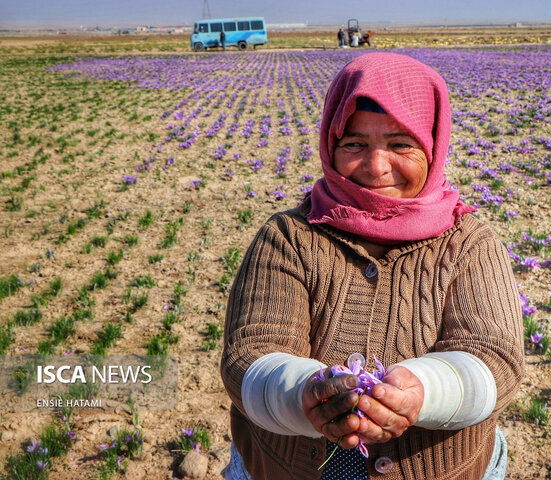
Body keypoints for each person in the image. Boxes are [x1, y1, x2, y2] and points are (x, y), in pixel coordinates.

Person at [221, 52, 525, 480]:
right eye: (355, 144)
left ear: (433, 145)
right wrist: (304, 396)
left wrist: (423, 393)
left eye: (401, 143)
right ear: (331, 143)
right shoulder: (289, 236)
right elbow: (250, 353)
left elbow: (495, 357)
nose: (376, 166)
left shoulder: (469, 244)